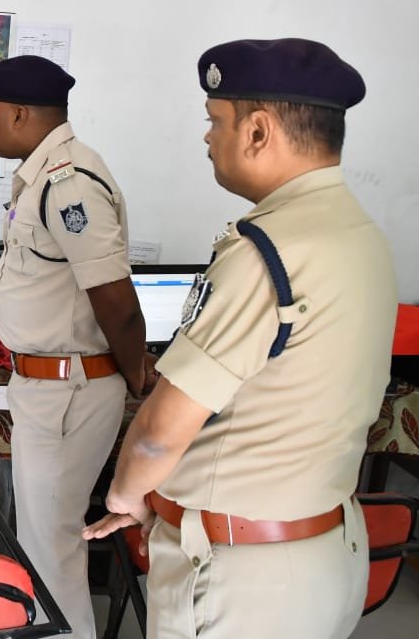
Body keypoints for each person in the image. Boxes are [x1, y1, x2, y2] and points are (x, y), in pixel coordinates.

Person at [83, 38, 393, 639]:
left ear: (257, 131)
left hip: (245, 577)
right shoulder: (361, 235)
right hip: (326, 550)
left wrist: (126, 497)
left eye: (215, 120)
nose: (207, 137)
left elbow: (160, 432)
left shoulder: (266, 253)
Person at [0, 54, 149, 639]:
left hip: (68, 389)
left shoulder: (69, 184)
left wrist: (136, 377)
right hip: (49, 385)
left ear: (20, 113)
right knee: (43, 543)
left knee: (51, 548)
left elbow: (117, 302)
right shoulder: (43, 177)